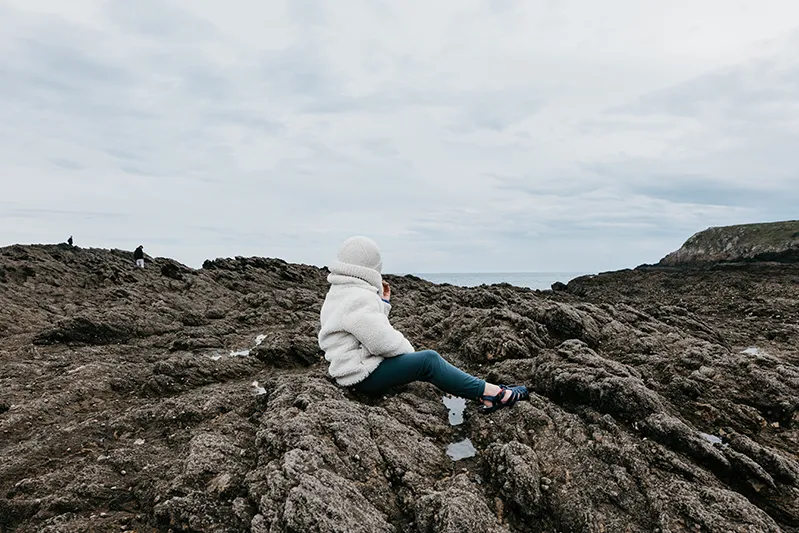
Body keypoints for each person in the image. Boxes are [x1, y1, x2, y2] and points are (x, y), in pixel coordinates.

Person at [318, 236, 529, 413]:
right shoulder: (358, 297)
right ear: (372, 268)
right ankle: (494, 393)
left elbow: (364, 326)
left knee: (426, 362)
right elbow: (379, 341)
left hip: (349, 371)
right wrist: (410, 354)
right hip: (361, 376)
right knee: (429, 361)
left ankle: (487, 392)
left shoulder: (339, 293)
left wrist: (382, 304)